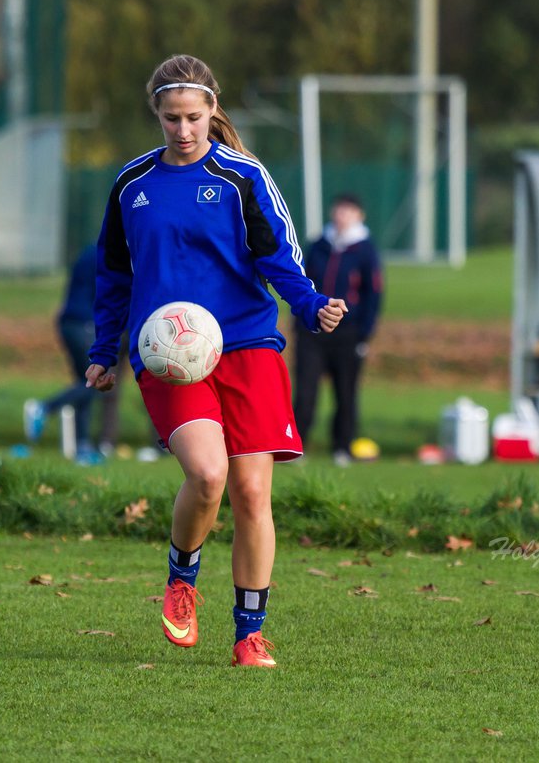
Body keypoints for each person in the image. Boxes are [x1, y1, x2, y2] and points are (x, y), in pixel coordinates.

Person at [85, 54, 346, 668]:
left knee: (254, 493)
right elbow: (113, 275)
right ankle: (182, 578)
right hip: (168, 355)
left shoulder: (242, 177)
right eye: (172, 119)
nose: (184, 130)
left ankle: (249, 634)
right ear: (156, 114)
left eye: (194, 118)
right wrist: (103, 352)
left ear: (213, 110)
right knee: (208, 476)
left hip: (247, 345)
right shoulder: (132, 185)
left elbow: (277, 253)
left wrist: (309, 305)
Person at [292, 193, 384, 467]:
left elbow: (374, 293)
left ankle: (342, 447)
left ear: (359, 216)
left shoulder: (365, 249)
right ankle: (297, 446)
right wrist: (301, 321)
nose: (341, 215)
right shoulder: (319, 245)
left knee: (346, 393)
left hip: (349, 333)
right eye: (338, 210)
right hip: (313, 331)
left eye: (348, 211)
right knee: (305, 391)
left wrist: (364, 334)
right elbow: (301, 284)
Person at [24, 243, 107, 465]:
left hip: (71, 323)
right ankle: (43, 407)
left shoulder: (91, 250)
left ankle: (82, 447)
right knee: (93, 382)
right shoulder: (106, 254)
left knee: (85, 382)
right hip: (83, 324)